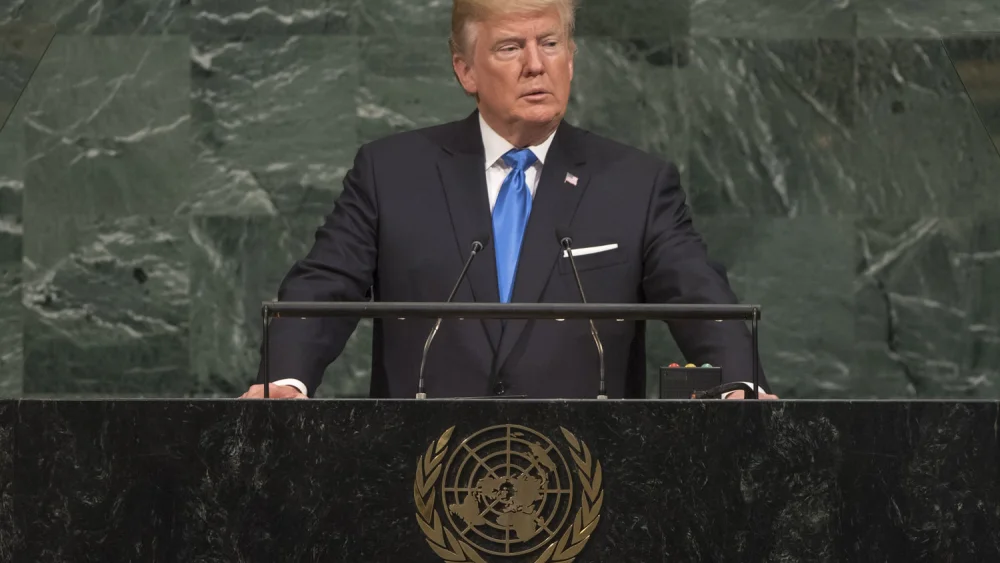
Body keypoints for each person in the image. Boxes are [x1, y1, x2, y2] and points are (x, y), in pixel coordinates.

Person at [241, 0, 777, 400]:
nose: (535, 64)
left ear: (571, 59)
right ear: (465, 70)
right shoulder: (392, 173)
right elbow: (322, 288)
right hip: (419, 475)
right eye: (510, 47)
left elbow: (701, 298)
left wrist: (741, 384)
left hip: (588, 479)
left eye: (550, 43)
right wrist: (285, 380)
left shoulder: (636, 183)